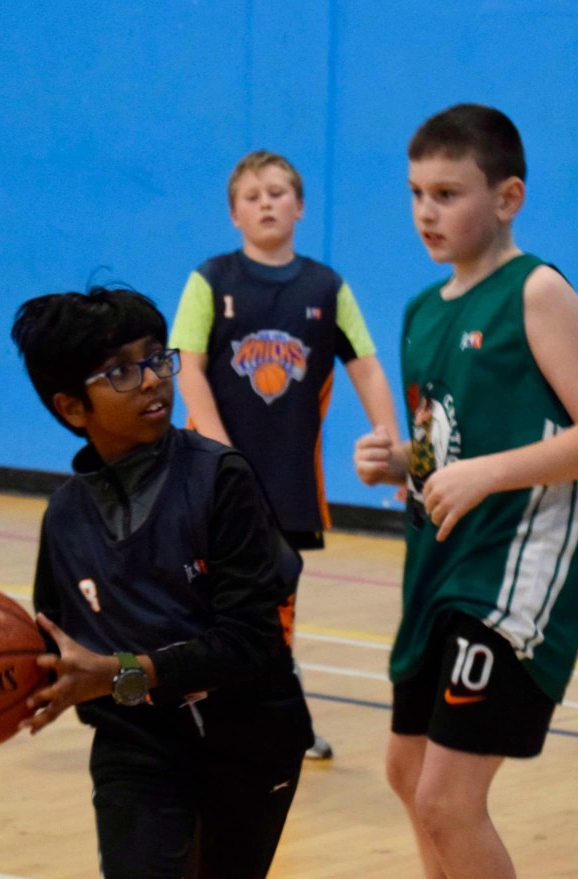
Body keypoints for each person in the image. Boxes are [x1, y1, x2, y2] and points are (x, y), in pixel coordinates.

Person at [353, 104, 578, 879]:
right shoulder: (419, 312)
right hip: (439, 568)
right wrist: (398, 463)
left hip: (515, 572)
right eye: (414, 194)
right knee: (407, 774)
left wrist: (486, 473)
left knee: (447, 795)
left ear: (507, 198)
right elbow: (445, 449)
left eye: (447, 193)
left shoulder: (536, 292)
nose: (425, 213)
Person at [11, 286, 314, 879]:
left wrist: (121, 674)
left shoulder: (220, 479)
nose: (151, 380)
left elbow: (251, 643)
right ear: (71, 407)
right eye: (120, 371)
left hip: (249, 741)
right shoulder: (65, 518)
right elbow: (57, 648)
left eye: (156, 359)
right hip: (140, 747)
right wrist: (20, 686)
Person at [170, 149, 401, 760]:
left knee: (277, 611)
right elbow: (187, 367)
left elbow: (367, 366)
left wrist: (393, 445)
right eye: (252, 196)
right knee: (206, 602)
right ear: (234, 215)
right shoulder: (210, 280)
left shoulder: (326, 288)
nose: (266, 203)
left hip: (288, 481)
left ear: (299, 207)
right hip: (212, 479)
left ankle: (279, 722)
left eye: (277, 193)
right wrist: (219, 450)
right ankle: (193, 711)